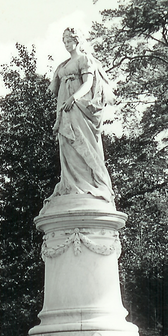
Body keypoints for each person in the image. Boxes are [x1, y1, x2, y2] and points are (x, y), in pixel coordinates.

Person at [48, 27, 114, 204]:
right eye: (64, 42)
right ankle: (71, 184)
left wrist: (73, 98)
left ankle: (87, 183)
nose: (66, 45)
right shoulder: (63, 65)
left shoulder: (84, 59)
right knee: (66, 143)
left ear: (77, 40)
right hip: (64, 106)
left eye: (69, 41)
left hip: (78, 106)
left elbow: (88, 83)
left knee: (81, 140)